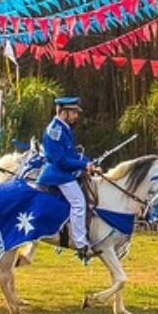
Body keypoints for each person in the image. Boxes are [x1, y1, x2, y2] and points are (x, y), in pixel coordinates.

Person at [37, 97, 101, 260]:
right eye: (73, 113)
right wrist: (83, 166)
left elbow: (72, 154)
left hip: (64, 172)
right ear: (63, 112)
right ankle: (81, 244)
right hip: (58, 174)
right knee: (79, 203)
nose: (75, 116)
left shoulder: (64, 128)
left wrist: (88, 163)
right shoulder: (55, 130)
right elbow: (61, 160)